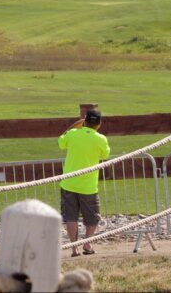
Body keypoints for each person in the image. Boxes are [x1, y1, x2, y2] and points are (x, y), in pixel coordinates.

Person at [58, 108, 110, 256]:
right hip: (88, 186)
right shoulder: (100, 139)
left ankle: (74, 248)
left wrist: (74, 126)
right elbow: (105, 154)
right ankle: (87, 244)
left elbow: (61, 142)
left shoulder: (73, 134)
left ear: (84, 121)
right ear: (99, 124)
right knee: (92, 217)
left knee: (71, 217)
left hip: (69, 184)